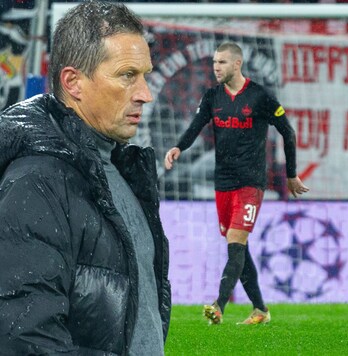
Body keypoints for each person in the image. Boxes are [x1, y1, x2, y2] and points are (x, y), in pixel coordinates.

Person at [0, 1, 171, 354]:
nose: (145, 94)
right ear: (73, 82)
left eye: (145, 75)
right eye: (127, 75)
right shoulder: (35, 182)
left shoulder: (119, 170)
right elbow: (26, 342)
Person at [164, 42, 309, 325]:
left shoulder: (259, 96)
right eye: (214, 62)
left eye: (222, 62)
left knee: (235, 242)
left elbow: (287, 132)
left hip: (251, 182)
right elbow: (195, 127)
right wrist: (178, 147)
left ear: (237, 64)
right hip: (224, 183)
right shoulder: (212, 97)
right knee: (237, 249)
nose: (216, 67)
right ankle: (260, 310)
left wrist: (291, 175)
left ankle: (218, 305)